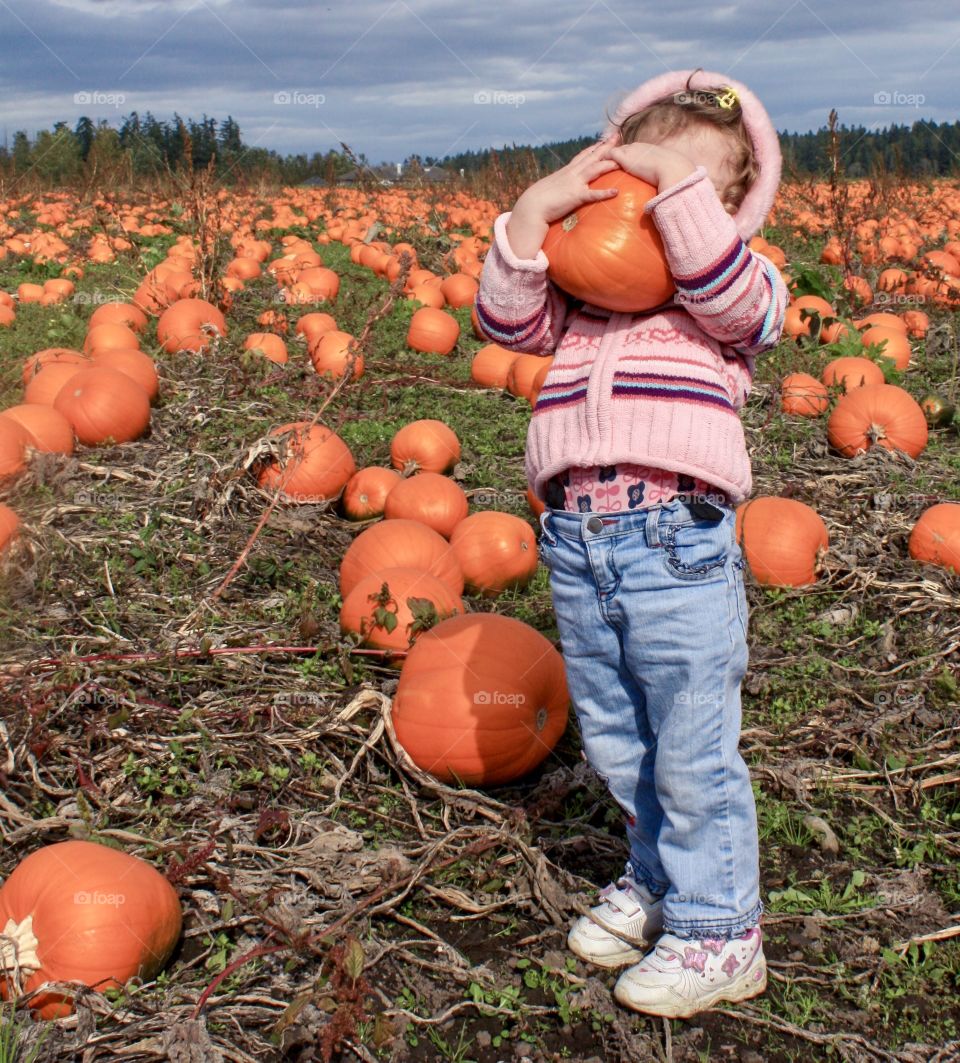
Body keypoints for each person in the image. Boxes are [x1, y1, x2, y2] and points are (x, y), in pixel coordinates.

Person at [474, 68, 787, 1019]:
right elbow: (503, 321)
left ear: (725, 211)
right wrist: (535, 214)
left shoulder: (731, 297)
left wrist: (678, 198)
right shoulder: (581, 308)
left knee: (692, 746)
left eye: (681, 196)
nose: (651, 215)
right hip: (576, 543)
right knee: (618, 738)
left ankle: (720, 927)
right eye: (636, 192)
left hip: (677, 546)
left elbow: (740, 300)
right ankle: (656, 875)